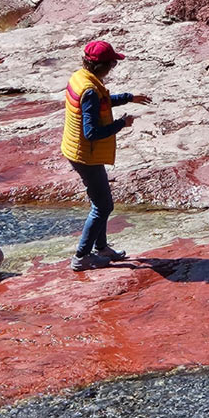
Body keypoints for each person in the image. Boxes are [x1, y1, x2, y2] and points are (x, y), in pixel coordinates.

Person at [61, 40, 151, 271]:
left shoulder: (80, 78)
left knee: (99, 202)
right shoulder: (90, 90)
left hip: (75, 150)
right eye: (112, 64)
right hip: (86, 155)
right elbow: (91, 133)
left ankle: (101, 248)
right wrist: (121, 124)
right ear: (103, 66)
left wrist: (129, 97)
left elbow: (100, 102)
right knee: (103, 206)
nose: (113, 67)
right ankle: (81, 257)